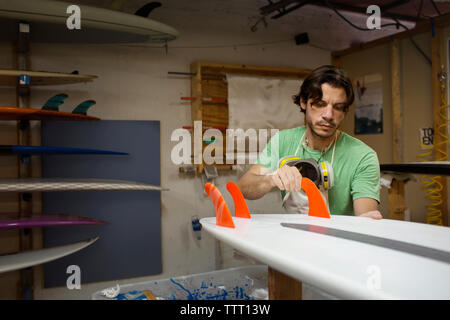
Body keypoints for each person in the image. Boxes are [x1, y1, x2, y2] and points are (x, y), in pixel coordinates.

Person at [237, 65, 382, 219]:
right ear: (303, 103)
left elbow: (364, 215)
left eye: (338, 107)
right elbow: (243, 188)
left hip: (339, 241)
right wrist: (271, 178)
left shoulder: (363, 156)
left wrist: (367, 221)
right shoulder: (282, 141)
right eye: (320, 104)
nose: (328, 115)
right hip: (295, 237)